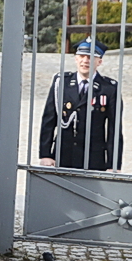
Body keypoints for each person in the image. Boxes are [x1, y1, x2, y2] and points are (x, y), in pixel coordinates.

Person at [38, 40, 123, 172]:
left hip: (93, 158)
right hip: (62, 156)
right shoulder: (61, 83)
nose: (85, 61)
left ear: (99, 62)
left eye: (90, 57)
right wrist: (45, 154)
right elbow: (49, 120)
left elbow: (114, 129)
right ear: (76, 59)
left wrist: (113, 164)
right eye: (82, 57)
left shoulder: (109, 88)